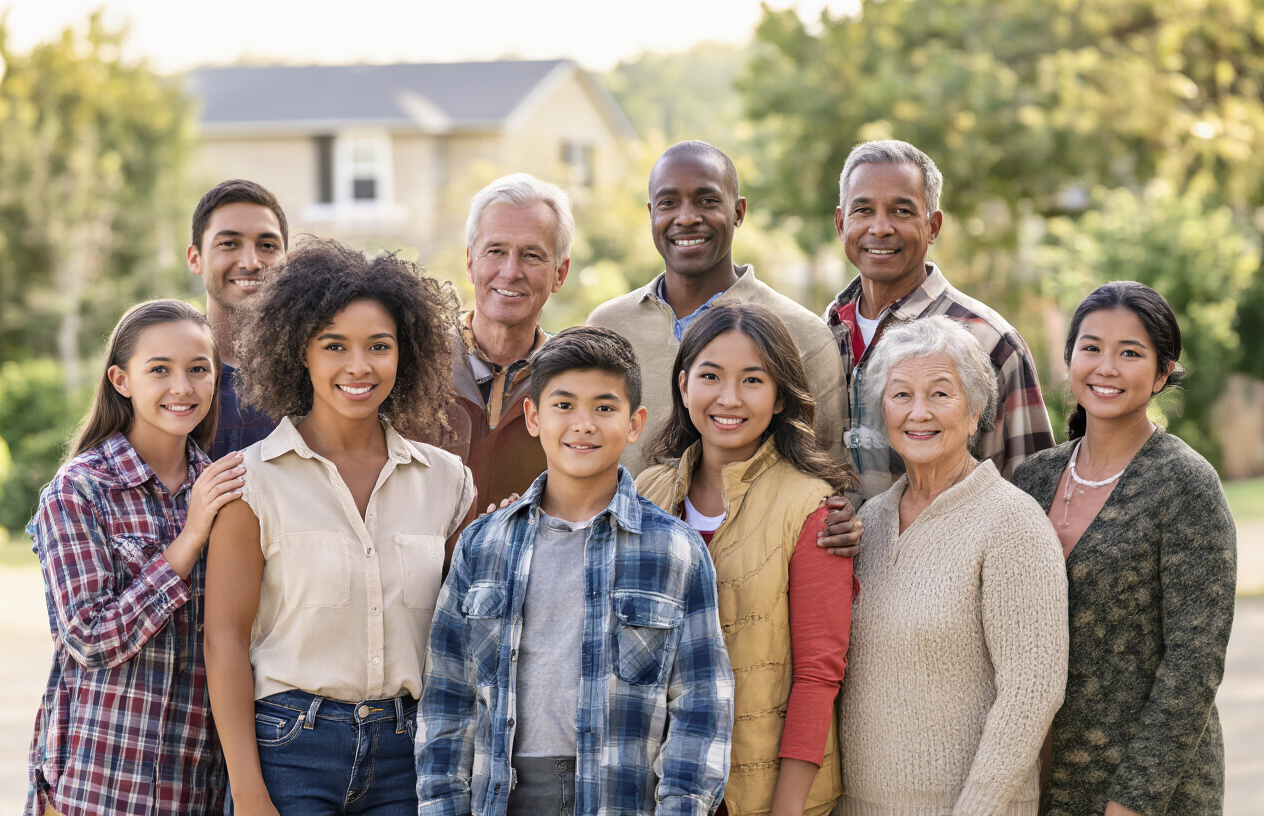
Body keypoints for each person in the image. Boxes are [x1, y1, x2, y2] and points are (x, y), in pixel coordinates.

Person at [204, 238, 474, 816]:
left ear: (407, 353)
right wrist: (249, 793)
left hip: (410, 757)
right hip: (288, 753)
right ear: (301, 351)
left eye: (379, 346)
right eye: (335, 346)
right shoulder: (251, 481)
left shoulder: (447, 482)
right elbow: (224, 640)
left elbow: (461, 638)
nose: (359, 366)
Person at [417, 326, 734, 816]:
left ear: (634, 423)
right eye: (564, 405)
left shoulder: (675, 550)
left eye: (605, 408)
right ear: (533, 416)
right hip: (503, 796)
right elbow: (447, 698)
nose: (583, 424)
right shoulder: (484, 545)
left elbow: (701, 706)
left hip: (620, 799)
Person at [1011, 282, 1236, 816]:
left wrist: (1132, 801)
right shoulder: (1031, 479)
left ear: (1162, 373)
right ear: (1069, 359)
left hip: (1151, 791)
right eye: (1091, 348)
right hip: (1038, 779)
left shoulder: (1186, 485)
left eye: (1129, 353)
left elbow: (1194, 663)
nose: (1105, 367)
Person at [836, 316, 1068, 815]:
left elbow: (1032, 692)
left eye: (940, 393)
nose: (919, 412)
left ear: (974, 412)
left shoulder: (1011, 523)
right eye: (901, 395)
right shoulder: (869, 522)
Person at [636, 303, 859, 816]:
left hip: (760, 797)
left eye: (753, 380)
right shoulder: (648, 493)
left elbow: (818, 676)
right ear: (684, 384)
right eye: (711, 376)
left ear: (780, 396)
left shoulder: (813, 507)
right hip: (659, 789)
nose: (729, 398)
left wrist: (785, 809)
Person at [25, 299, 246, 816]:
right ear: (121, 380)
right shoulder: (78, 491)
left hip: (197, 789)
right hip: (98, 788)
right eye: (159, 370)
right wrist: (189, 539)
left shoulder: (227, 491)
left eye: (198, 369)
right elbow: (90, 638)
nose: (183, 388)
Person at [588, 140, 847, 477]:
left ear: (738, 212)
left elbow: (829, 470)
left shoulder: (801, 332)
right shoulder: (606, 327)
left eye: (707, 201)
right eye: (669, 203)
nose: (687, 218)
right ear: (651, 214)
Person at [824, 139, 1054, 498]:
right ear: (841, 223)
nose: (880, 227)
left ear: (932, 226)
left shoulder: (989, 343)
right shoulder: (821, 334)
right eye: (863, 210)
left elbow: (1031, 499)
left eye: (902, 211)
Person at [445, 173, 572, 513]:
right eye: (496, 251)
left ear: (560, 273)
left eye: (532, 255)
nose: (511, 271)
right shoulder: (411, 363)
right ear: (471, 261)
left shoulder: (573, 382)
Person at [187, 179, 290, 459]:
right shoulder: (166, 371)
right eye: (229, 243)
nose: (251, 262)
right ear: (195, 258)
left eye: (267, 245)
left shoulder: (315, 368)